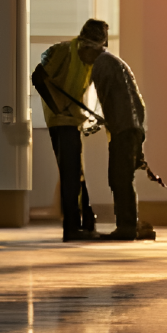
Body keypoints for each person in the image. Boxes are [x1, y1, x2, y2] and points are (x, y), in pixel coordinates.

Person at [38, 19, 150, 242]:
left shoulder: (100, 65)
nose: (83, 56)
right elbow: (134, 104)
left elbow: (110, 103)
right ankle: (119, 224)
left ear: (93, 48)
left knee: (117, 178)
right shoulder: (110, 62)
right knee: (113, 177)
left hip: (121, 130)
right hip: (124, 129)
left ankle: (124, 227)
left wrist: (106, 126)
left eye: (86, 50)